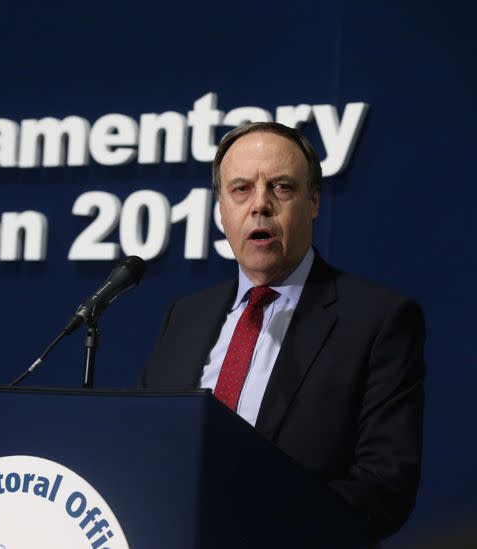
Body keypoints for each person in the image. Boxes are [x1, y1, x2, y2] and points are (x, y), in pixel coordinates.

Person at [140, 122, 425, 541]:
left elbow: (385, 486)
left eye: (281, 188)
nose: (260, 205)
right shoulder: (184, 317)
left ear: (313, 202)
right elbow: (147, 449)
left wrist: (261, 525)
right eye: (240, 189)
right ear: (221, 210)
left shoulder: (379, 320)